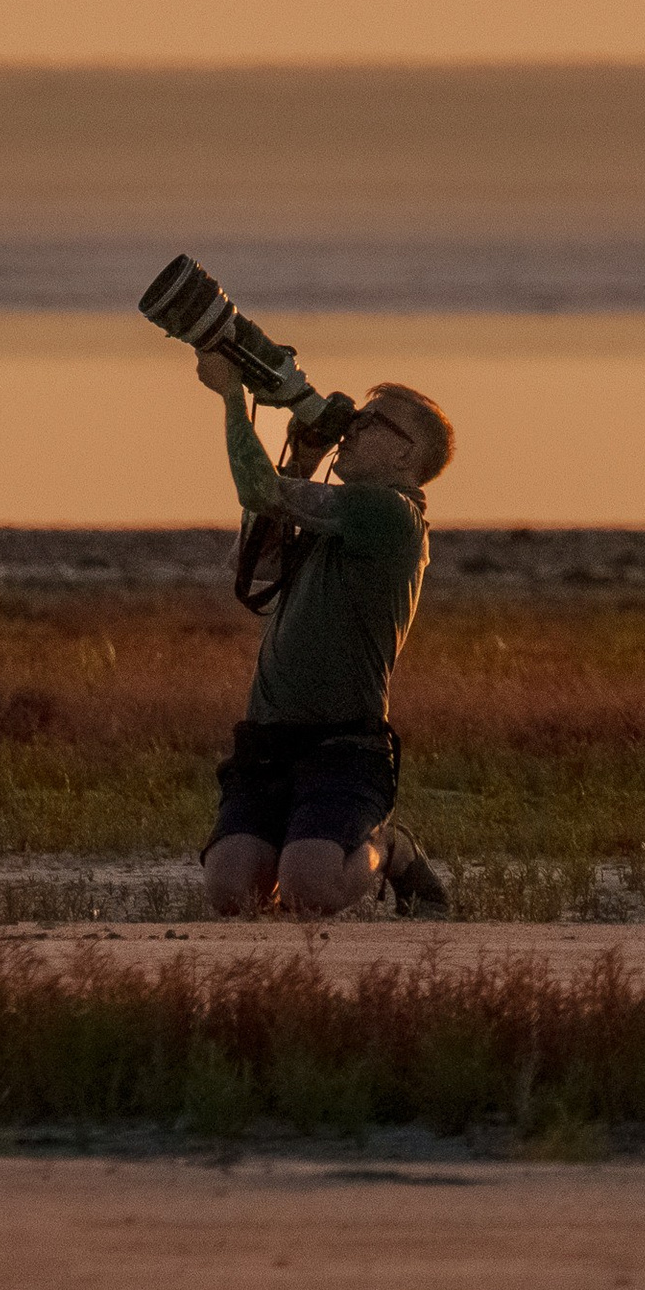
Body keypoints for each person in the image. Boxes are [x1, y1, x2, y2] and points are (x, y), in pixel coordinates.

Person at [194, 349, 456, 918]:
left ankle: (390, 848)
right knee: (231, 894)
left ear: (407, 452)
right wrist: (304, 457)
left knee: (310, 892)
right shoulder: (337, 514)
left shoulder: (392, 513)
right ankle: (301, 842)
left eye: (370, 422)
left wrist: (233, 400)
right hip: (268, 740)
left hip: (343, 744)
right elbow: (253, 563)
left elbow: (258, 491)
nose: (353, 429)